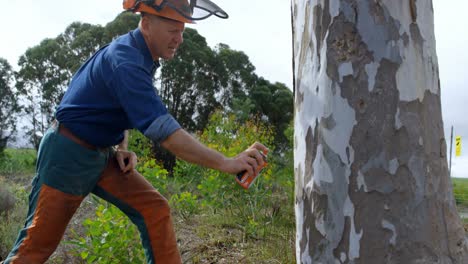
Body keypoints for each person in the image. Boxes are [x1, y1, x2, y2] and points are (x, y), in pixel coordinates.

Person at [3, 1, 267, 263]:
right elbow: (166, 133)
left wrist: (121, 146)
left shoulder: (141, 55)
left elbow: (119, 106)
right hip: (68, 154)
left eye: (182, 30)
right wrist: (226, 162)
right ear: (147, 23)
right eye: (172, 30)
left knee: (154, 209)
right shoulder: (126, 60)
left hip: (102, 155)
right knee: (35, 248)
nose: (179, 39)